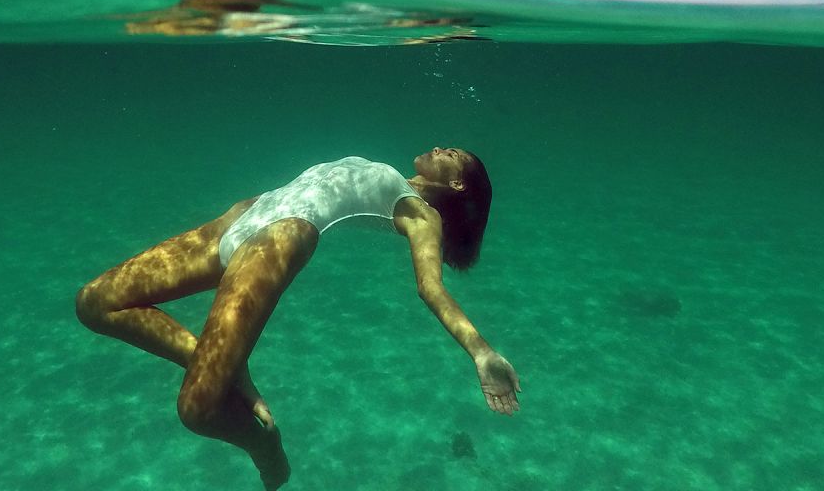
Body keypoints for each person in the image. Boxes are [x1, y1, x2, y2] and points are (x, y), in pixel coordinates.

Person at [75, 149, 521, 490]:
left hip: (278, 236)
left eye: (453, 154)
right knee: (95, 303)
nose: (442, 147)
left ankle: (263, 445)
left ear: (459, 183)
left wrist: (481, 352)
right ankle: (228, 367)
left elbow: (431, 288)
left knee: (197, 409)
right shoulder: (400, 180)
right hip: (239, 220)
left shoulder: (423, 216)